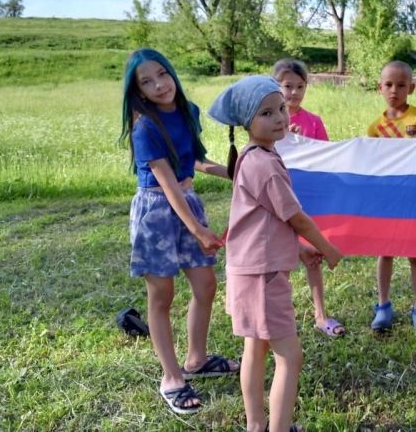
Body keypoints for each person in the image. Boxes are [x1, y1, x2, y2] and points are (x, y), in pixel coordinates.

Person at [208, 76, 342, 432]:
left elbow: (262, 224)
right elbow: (295, 217)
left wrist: (298, 250)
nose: (280, 117)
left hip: (249, 272)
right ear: (246, 123)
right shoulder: (265, 165)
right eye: (267, 113)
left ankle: (256, 425)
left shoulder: (253, 158)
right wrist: (327, 248)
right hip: (264, 278)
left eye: (281, 108)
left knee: (256, 349)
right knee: (290, 356)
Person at [119, 48, 239, 415]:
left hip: (187, 201)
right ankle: (171, 377)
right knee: (162, 295)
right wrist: (200, 229)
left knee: (205, 285)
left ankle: (196, 359)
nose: (159, 85)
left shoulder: (189, 113)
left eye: (162, 74)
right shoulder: (145, 126)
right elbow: (166, 181)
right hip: (157, 211)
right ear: (138, 91)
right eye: (147, 81)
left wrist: (233, 171)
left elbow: (193, 161)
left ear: (172, 73)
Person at [272, 59, 344, 339]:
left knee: (312, 257)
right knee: (281, 258)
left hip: (308, 203)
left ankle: (320, 314)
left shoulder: (313, 121)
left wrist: (306, 145)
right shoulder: (267, 119)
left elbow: (326, 158)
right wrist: (286, 137)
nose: (294, 93)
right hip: (279, 202)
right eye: (288, 86)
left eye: (300, 86)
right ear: (275, 86)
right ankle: (280, 315)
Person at [367, 61, 416, 334]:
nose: (394, 90)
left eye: (400, 85)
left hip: (415, 198)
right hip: (387, 200)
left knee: (415, 255)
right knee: (385, 253)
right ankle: (383, 306)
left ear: (412, 87)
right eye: (388, 85)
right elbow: (370, 165)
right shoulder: (375, 127)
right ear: (379, 88)